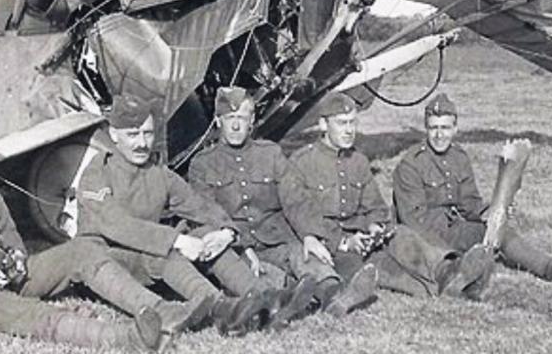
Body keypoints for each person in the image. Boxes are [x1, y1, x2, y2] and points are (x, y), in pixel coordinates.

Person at [0, 96, 202, 352]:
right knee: (30, 314)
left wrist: (16, 255)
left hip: (5, 272)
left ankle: (159, 310)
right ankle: (126, 338)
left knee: (82, 251)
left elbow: (6, 226)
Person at [74, 94, 313, 333]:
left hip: (149, 259)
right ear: (114, 135)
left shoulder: (157, 173)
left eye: (147, 134)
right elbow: (116, 224)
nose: (142, 143)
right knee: (167, 247)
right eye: (132, 135)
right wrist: (177, 240)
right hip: (110, 263)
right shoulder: (97, 172)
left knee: (205, 233)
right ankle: (222, 307)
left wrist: (227, 232)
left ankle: (263, 298)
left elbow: (197, 205)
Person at [279, 92, 497, 304]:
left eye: (352, 123)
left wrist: (374, 227)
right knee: (381, 273)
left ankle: (447, 271)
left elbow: (375, 207)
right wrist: (344, 242)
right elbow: (300, 212)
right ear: (324, 125)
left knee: (401, 234)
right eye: (342, 123)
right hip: (333, 247)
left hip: (364, 240)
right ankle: (449, 288)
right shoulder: (302, 162)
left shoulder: (359, 161)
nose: (349, 130)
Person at [188, 86, 377, 317]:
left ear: (253, 119)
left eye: (242, 118)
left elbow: (295, 197)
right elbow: (208, 212)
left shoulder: (271, 154)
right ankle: (289, 298)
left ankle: (333, 295)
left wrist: (310, 235)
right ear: (218, 121)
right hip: (239, 246)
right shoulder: (202, 164)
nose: (236, 125)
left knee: (304, 254)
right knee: (254, 274)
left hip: (278, 238)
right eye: (230, 118)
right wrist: (243, 245)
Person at [392, 93, 552, 282]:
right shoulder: (411, 164)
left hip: (455, 229)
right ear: (426, 129)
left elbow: (470, 205)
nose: (439, 135)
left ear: (455, 128)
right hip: (427, 240)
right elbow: (415, 224)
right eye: (433, 128)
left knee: (499, 230)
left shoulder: (459, 158)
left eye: (445, 127)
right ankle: (462, 270)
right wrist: (449, 254)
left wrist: (493, 212)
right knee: (471, 253)